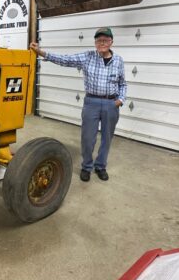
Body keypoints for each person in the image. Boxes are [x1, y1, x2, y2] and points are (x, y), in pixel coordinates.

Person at [30, 27, 127, 182]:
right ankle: (87, 166)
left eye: (105, 40)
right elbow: (65, 60)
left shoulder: (119, 61)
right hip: (92, 103)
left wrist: (121, 99)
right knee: (88, 138)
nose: (102, 43)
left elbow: (123, 83)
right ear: (95, 42)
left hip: (111, 103)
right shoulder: (87, 56)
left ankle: (100, 166)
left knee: (107, 138)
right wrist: (41, 53)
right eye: (99, 40)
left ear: (111, 42)